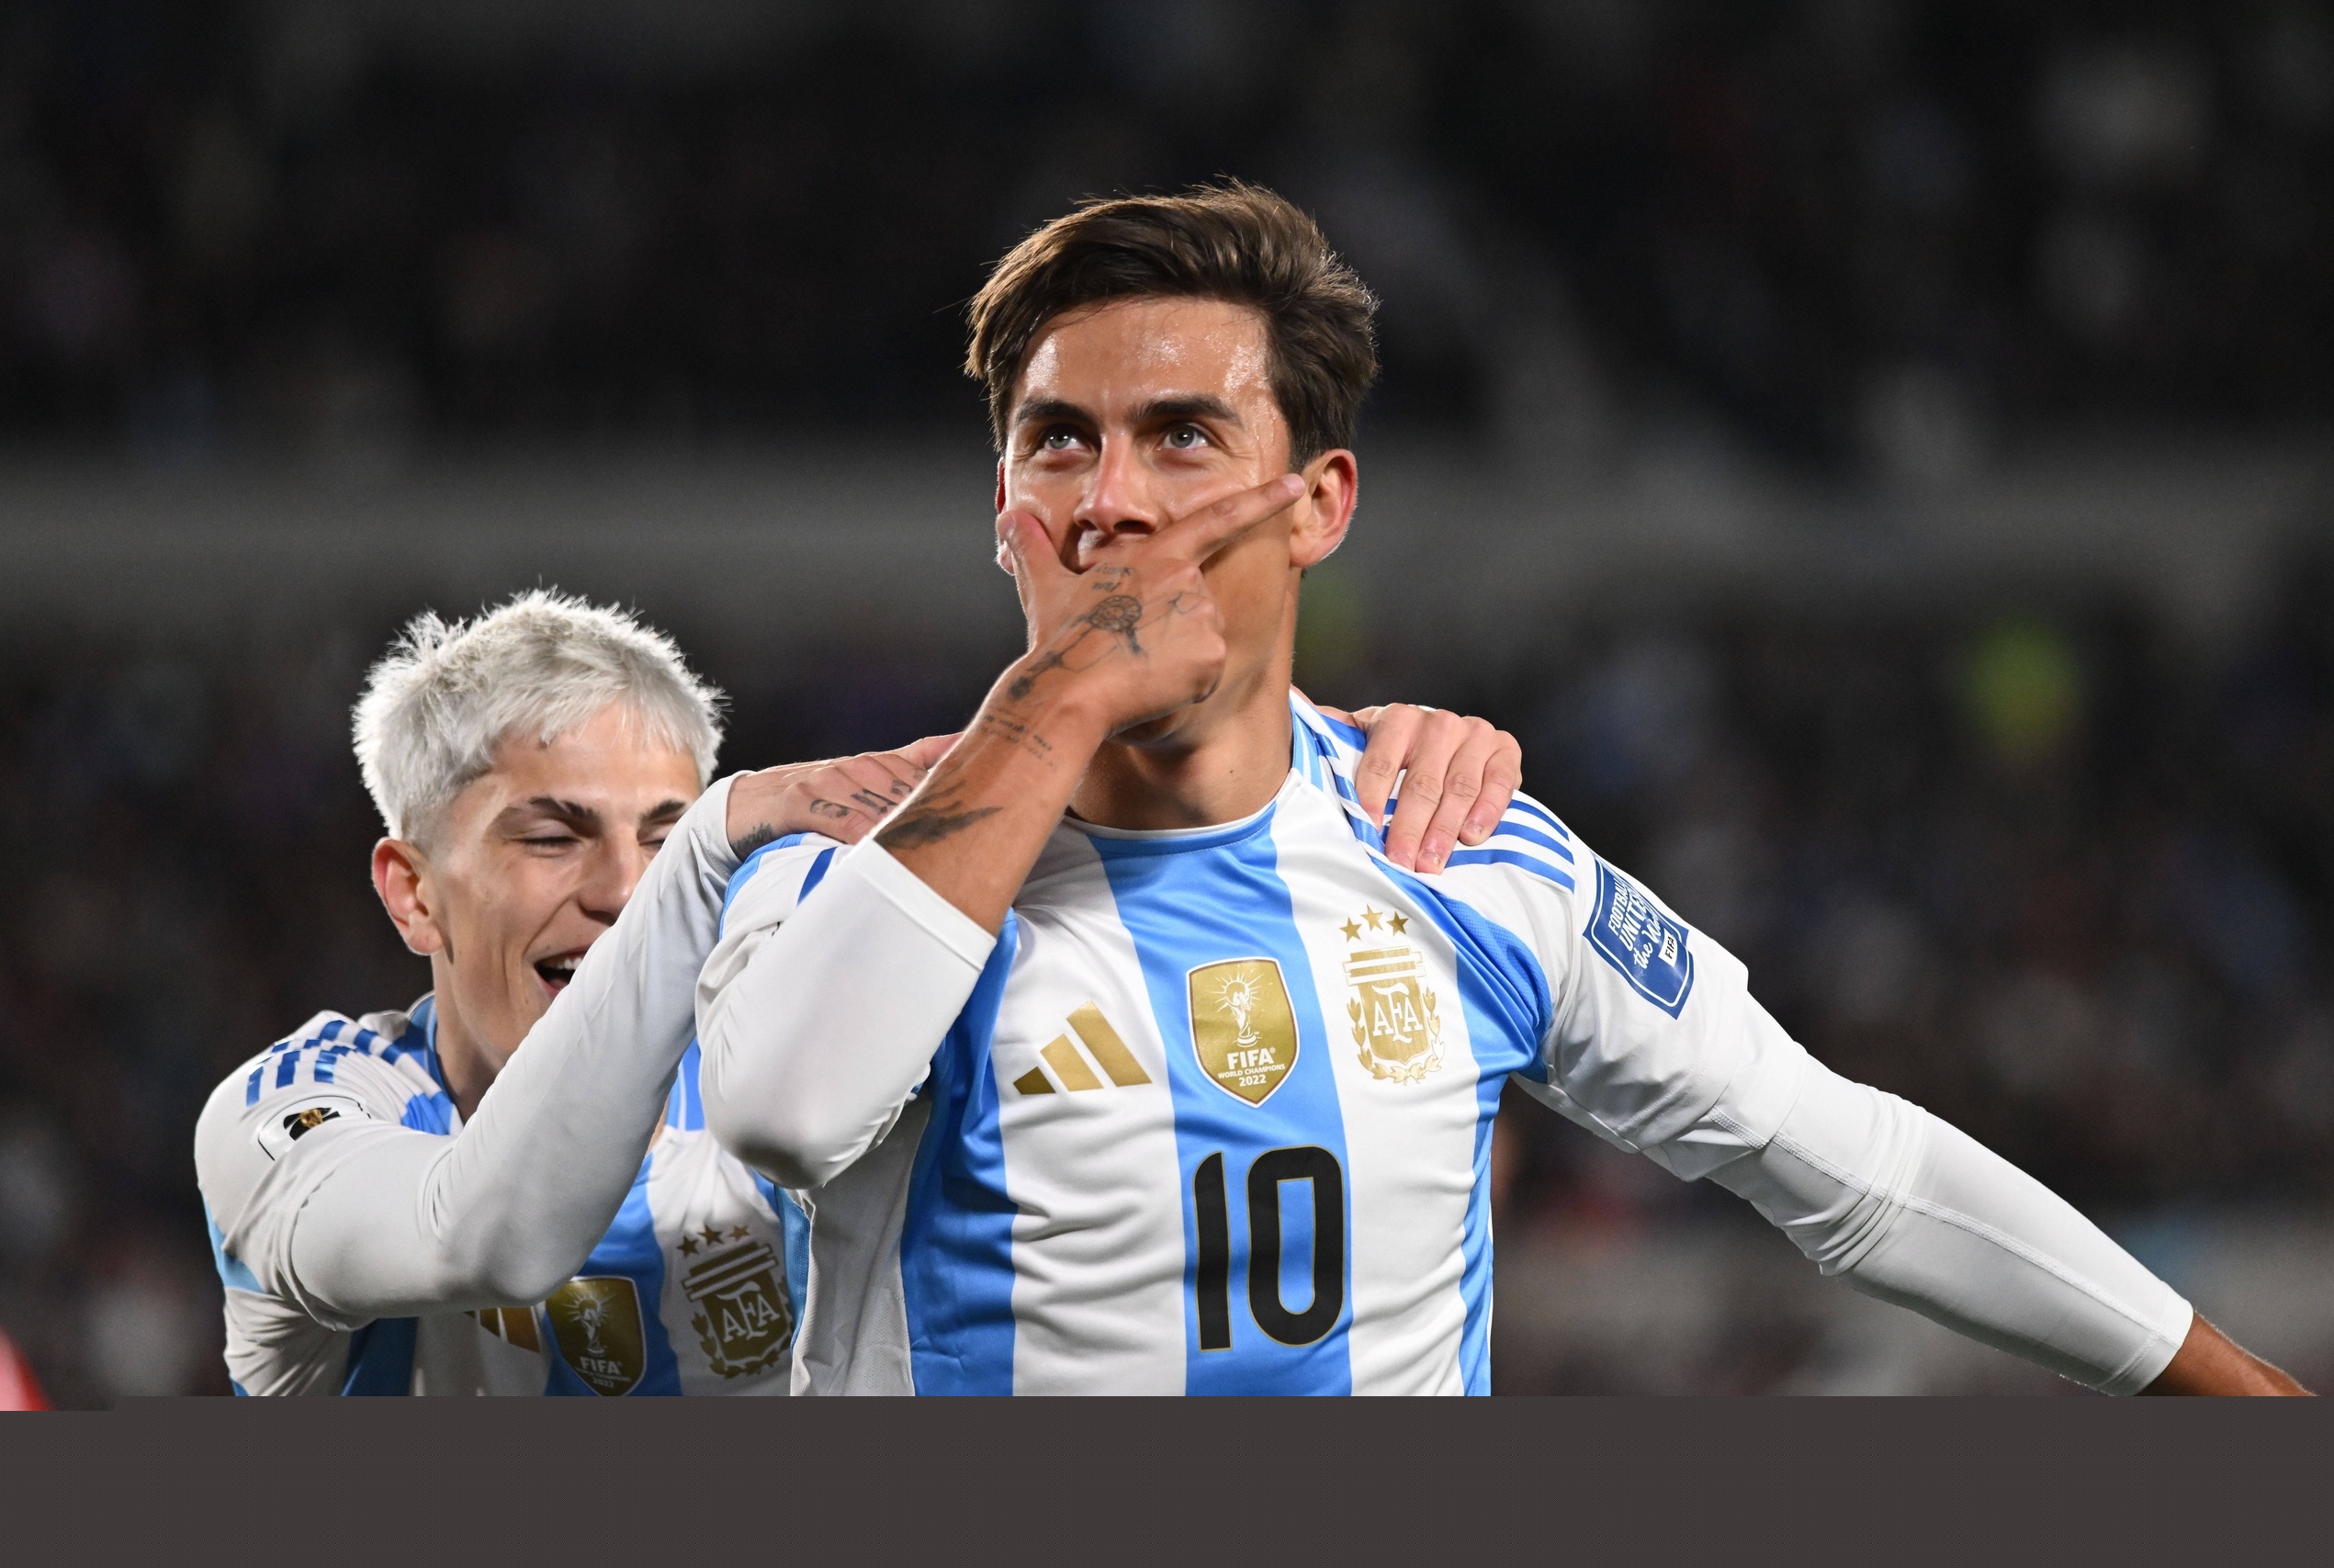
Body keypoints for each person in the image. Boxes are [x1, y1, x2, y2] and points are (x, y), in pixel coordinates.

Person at [696, 183, 2306, 1396]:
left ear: (1319, 504)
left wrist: (2251, 1409)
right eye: (1058, 443)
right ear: (1004, 510)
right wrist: (1053, 705)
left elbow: (1859, 1174)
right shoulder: (839, 860)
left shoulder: (1455, 845)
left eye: (1182, 437)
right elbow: (785, 1108)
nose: (1110, 501)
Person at [197, 589, 1524, 1394]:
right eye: (552, 837)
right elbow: (485, 1235)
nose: (626, 892)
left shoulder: (796, 1081)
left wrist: (1332, 768)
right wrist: (715, 843)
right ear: (412, 892)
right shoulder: (302, 1116)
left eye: (667, 837)